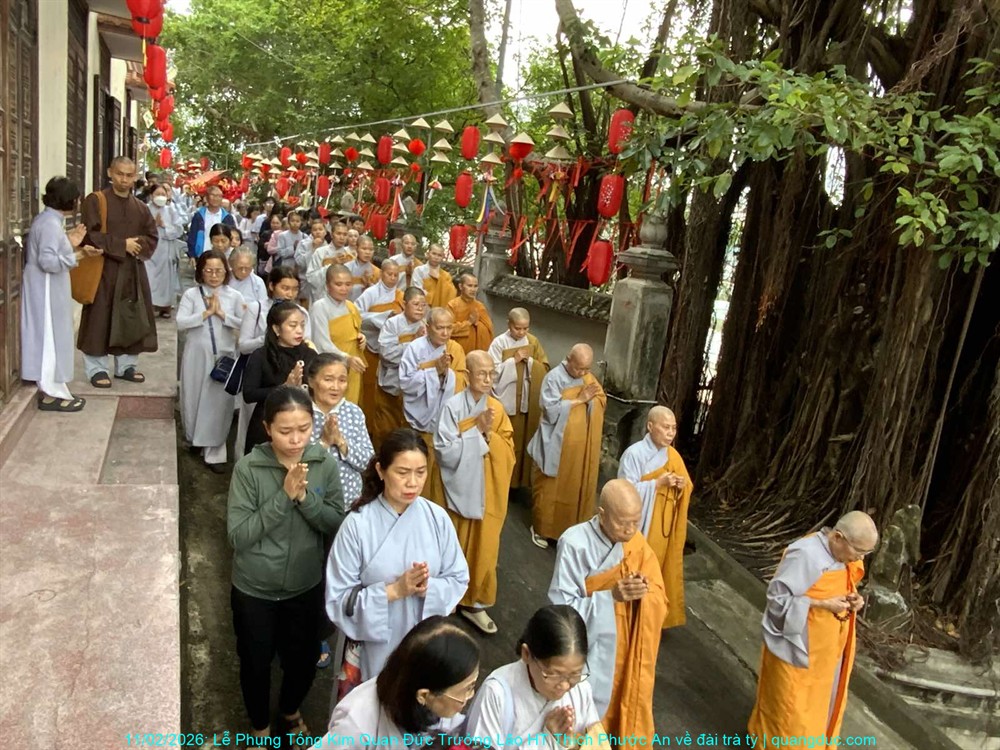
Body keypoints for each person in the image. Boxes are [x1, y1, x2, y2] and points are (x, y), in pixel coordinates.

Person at [228, 385, 345, 742]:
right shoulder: (249, 469)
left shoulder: (323, 464)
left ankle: (290, 710)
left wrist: (305, 498)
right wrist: (284, 497)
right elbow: (239, 536)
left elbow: (335, 522)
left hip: (304, 584)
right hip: (255, 589)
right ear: (267, 428)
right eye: (285, 431)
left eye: (304, 429)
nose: (295, 440)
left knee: (303, 659)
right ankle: (259, 727)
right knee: (255, 662)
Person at [324, 429, 469, 686]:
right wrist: (394, 591)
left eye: (420, 472)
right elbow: (339, 599)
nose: (412, 482)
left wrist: (429, 587)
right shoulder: (357, 524)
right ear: (381, 471)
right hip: (372, 647)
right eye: (402, 473)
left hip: (424, 642)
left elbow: (458, 577)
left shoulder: (437, 518)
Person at [548, 479, 668, 741]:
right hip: (591, 649)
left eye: (636, 522)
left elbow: (659, 593)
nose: (630, 530)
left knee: (622, 699)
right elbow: (561, 610)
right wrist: (610, 597)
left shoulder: (636, 543)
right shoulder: (575, 543)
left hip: (627, 646)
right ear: (602, 515)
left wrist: (643, 589)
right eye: (622, 523)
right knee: (581, 716)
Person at [747, 511, 877, 743]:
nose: (861, 558)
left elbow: (843, 584)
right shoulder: (805, 555)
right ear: (838, 537)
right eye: (859, 551)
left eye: (866, 553)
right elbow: (777, 600)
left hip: (827, 653)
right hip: (798, 648)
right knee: (789, 712)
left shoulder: (844, 557)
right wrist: (821, 604)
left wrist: (854, 598)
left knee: (820, 705)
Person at [434, 350, 514, 635]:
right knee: (452, 541)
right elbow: (443, 450)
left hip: (488, 488)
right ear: (467, 376)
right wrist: (475, 433)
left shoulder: (497, 409)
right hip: (456, 488)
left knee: (485, 545)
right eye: (482, 374)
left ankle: (475, 602)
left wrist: (488, 436)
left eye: (492, 374)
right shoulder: (453, 407)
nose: (488, 379)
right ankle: (447, 596)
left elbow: (508, 449)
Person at [326, 616, 478, 743]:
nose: (470, 696)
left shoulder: (433, 707)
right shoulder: (356, 727)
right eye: (468, 689)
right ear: (424, 695)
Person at [465, 605, 604, 742]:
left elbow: (596, 742)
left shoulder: (581, 690)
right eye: (554, 674)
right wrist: (547, 741)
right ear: (526, 654)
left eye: (575, 674)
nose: (565, 686)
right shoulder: (496, 694)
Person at [78, 156, 158, 389]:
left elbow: (152, 237)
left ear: (135, 177)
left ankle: (126, 366)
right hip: (103, 269)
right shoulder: (96, 201)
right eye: (120, 174)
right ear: (109, 173)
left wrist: (136, 244)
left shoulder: (141, 208)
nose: (124, 179)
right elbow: (90, 235)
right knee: (99, 318)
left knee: (130, 317)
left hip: (132, 271)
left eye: (129, 175)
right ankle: (97, 368)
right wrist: (122, 244)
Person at [21, 177, 101, 412]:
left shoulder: (50, 221)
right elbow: (47, 261)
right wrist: (78, 256)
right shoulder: (48, 224)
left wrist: (72, 244)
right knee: (49, 338)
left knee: (52, 336)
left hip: (49, 286)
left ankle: (53, 388)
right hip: (45, 289)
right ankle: (51, 392)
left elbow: (53, 251)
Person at [617, 406, 692, 628]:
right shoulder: (634, 454)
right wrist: (656, 484)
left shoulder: (673, 456)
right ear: (650, 426)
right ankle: (625, 613)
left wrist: (681, 485)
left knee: (655, 569)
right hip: (639, 525)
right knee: (633, 567)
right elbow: (624, 492)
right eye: (665, 427)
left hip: (661, 526)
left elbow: (687, 485)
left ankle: (649, 615)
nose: (670, 433)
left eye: (674, 428)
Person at [527, 344, 606, 547]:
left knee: (573, 488)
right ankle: (541, 529)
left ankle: (568, 530)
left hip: (578, 449)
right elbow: (550, 411)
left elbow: (600, 399)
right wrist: (579, 400)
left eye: (587, 368)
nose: (583, 373)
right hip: (555, 443)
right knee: (548, 489)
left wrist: (592, 401)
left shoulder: (588, 377)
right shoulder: (553, 378)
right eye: (579, 368)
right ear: (568, 359)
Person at [176, 249, 245, 473]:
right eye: (209, 271)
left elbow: (244, 324)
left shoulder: (234, 296)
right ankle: (195, 439)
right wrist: (206, 313)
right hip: (196, 355)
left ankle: (215, 452)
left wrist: (222, 314)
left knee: (218, 404)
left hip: (223, 356)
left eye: (218, 271)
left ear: (226, 271)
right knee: (194, 398)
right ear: (201, 272)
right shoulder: (192, 295)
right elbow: (180, 322)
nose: (214, 275)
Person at [398, 307, 467, 507]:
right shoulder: (415, 348)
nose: (445, 333)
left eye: (449, 328)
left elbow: (463, 379)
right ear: (428, 327)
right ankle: (411, 502)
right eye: (440, 328)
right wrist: (434, 372)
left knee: (438, 471)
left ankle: (434, 507)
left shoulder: (455, 349)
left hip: (444, 419)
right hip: (418, 418)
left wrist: (447, 375)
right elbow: (405, 383)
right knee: (417, 464)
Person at [488, 308, 549, 493]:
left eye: (525, 328)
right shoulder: (499, 343)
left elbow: (544, 366)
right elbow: (491, 372)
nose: (522, 332)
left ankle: (519, 483)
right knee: (507, 443)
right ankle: (503, 482)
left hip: (526, 402)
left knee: (523, 444)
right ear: (509, 324)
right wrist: (512, 361)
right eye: (517, 328)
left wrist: (530, 362)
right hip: (507, 402)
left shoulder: (532, 341)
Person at [242, 302, 315, 454]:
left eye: (302, 325)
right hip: (267, 424)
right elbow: (249, 394)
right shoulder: (260, 355)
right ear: (276, 329)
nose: (299, 330)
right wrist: (284, 387)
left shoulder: (309, 354)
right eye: (293, 325)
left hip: (301, 424)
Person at [308, 354, 373, 511]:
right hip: (308, 504)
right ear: (311, 381)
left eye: (342, 380)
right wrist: (323, 443)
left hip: (349, 503)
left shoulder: (353, 412)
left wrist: (341, 442)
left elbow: (368, 462)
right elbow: (293, 463)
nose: (336, 387)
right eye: (328, 379)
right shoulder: (300, 413)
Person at [372, 287, 426, 449]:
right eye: (416, 304)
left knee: (408, 437)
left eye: (423, 305)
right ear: (404, 304)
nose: (420, 308)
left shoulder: (426, 326)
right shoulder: (392, 324)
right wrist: (413, 342)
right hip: (390, 386)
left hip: (414, 390)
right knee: (385, 432)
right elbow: (386, 354)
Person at [309, 265, 367, 405]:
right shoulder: (320, 307)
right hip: (331, 367)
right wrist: (346, 358)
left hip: (353, 367)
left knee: (352, 405)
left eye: (348, 284)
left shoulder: (351, 306)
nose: (344, 289)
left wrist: (361, 337)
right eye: (338, 284)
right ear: (327, 285)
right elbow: (322, 343)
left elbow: (354, 331)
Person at [356, 260, 403, 415]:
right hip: (371, 347)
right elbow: (357, 316)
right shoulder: (370, 293)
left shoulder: (401, 295)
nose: (393, 278)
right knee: (369, 386)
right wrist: (384, 316)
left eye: (396, 275)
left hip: (392, 350)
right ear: (382, 274)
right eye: (389, 274)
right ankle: (367, 421)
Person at [145, 183, 182, 318]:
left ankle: (165, 307)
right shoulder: (145, 209)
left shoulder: (171, 210)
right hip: (149, 250)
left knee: (165, 280)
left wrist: (164, 226)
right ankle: (149, 306)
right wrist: (153, 225)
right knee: (148, 278)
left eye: (163, 194)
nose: (160, 197)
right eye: (157, 194)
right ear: (151, 196)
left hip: (165, 249)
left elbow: (178, 229)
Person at [448, 273, 494, 355]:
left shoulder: (479, 306)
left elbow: (489, 329)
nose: (473, 289)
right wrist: (469, 323)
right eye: (469, 286)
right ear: (460, 286)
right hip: (457, 351)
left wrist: (478, 325)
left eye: (475, 286)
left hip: (476, 352)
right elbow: (448, 329)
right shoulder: (452, 305)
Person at [186, 184, 236, 258]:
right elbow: (192, 236)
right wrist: (192, 255)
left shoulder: (228, 218)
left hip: (222, 256)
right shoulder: (198, 216)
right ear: (207, 197)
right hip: (201, 255)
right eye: (213, 195)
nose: (216, 198)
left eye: (219, 196)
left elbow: (232, 236)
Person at [296, 219, 339, 304]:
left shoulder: (329, 248)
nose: (318, 232)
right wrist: (312, 249)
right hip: (305, 281)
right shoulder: (303, 243)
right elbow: (299, 263)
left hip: (322, 285)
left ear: (325, 232)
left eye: (320, 229)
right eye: (315, 230)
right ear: (311, 232)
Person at [411, 243, 455, 308]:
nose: (436, 257)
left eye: (439, 255)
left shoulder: (446, 275)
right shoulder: (419, 270)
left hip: (439, 309)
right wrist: (433, 297)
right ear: (428, 254)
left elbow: (451, 294)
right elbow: (417, 291)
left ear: (443, 257)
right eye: (434, 254)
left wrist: (439, 278)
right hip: (422, 306)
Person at [345, 235, 379, 301]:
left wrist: (369, 284)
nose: (368, 252)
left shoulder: (377, 272)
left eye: (371, 249)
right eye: (364, 249)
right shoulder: (346, 268)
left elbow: (379, 294)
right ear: (356, 249)